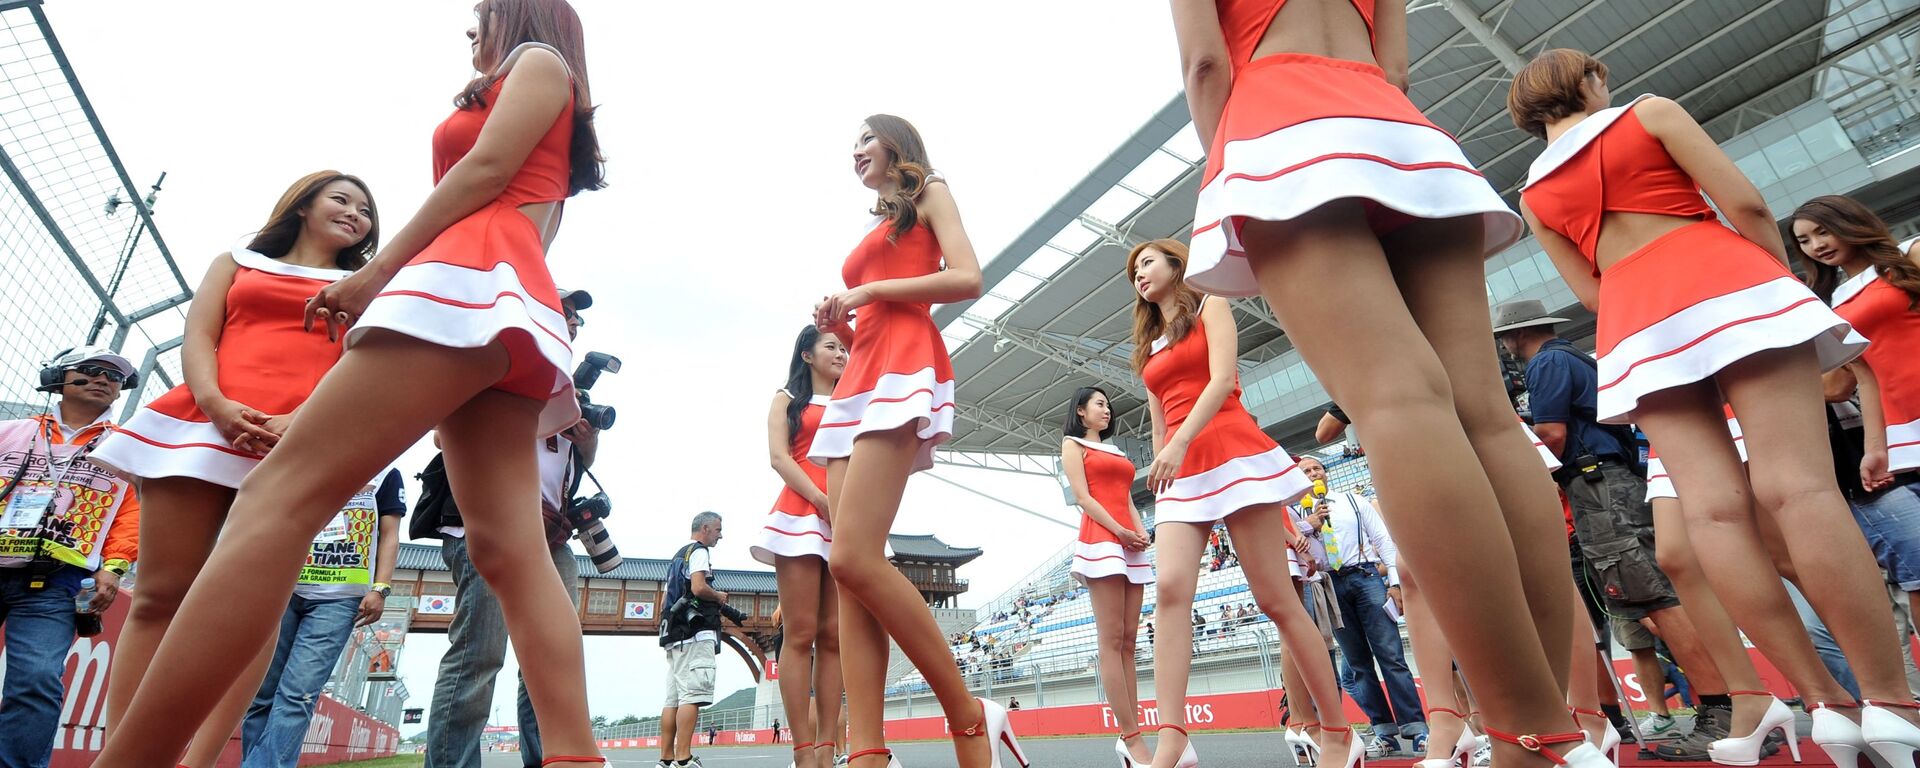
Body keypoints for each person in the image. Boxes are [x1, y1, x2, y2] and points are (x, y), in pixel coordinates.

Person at [90, 3, 609, 767]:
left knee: (278, 495)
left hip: (461, 284)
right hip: (505, 299)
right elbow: (525, 203)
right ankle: (575, 755)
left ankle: (130, 759)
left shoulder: (537, 60)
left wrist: (377, 272)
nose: (470, 31)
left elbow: (486, 172)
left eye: (479, 15)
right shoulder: (538, 91)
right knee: (508, 547)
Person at [1167, 3, 1584, 765]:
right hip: (1396, 127)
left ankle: (1532, 731)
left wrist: (1233, 168)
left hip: (1275, 121)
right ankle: (1549, 720)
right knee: (1486, 414)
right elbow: (1394, 68)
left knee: (1397, 401)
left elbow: (1206, 65)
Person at [1509, 47, 1918, 766]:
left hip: (1634, 318)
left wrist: (1648, 314)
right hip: (1723, 276)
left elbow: (1589, 291)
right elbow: (1750, 205)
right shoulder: (1649, 113)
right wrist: (1769, 279)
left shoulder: (1533, 195)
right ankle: (1891, 701)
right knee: (1799, 489)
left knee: (1714, 515)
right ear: (1590, 79)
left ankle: (1825, 704)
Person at [90, 171, 378, 768]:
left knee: (258, 612)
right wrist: (218, 404)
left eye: (366, 209)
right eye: (341, 199)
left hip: (299, 440)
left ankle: (199, 761)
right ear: (303, 206)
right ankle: (130, 754)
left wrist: (301, 420)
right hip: (201, 422)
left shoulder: (366, 286)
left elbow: (365, 363)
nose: (356, 214)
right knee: (159, 595)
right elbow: (199, 335)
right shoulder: (235, 261)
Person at [808, 115, 1011, 768]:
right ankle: (867, 750)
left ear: (895, 142)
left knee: (853, 559)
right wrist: (842, 310)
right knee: (847, 576)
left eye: (865, 139)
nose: (855, 152)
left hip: (901, 360)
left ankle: (967, 714)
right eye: (852, 146)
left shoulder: (931, 191)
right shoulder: (877, 224)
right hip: (860, 370)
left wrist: (871, 290)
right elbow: (873, 296)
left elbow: (968, 276)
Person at [1126, 238, 1343, 768]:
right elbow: (1158, 421)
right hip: (1180, 471)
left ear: (1177, 264)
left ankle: (1338, 733)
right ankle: (1173, 739)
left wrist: (1177, 444)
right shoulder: (1148, 346)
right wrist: (1164, 458)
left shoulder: (1211, 304)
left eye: (1147, 262)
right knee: (1171, 592)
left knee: (1276, 600)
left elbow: (1223, 380)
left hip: (1230, 447)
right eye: (1132, 271)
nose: (1138, 275)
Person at [1492, 299, 1730, 743]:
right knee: (1648, 599)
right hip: (1608, 481)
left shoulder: (1547, 363)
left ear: (1517, 334)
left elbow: (1551, 434)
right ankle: (1724, 704)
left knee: (1652, 598)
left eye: (1506, 337)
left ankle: (1722, 708)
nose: (1506, 346)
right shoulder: (1571, 357)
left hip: (1598, 485)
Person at [418, 288, 598, 768]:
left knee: (551, 657)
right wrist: (537, 415)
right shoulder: (496, 352)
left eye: (577, 317)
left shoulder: (565, 383)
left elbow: (572, 465)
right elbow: (444, 432)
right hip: (489, 522)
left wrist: (586, 434)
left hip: (551, 530)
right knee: (479, 655)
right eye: (564, 311)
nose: (573, 321)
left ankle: (550, 759)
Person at [0, 346, 141, 768]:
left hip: (57, 582)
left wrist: (114, 568)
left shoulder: (126, 446)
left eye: (114, 377)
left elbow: (131, 512)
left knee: (37, 680)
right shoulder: (9, 431)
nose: (103, 379)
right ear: (57, 377)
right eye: (91, 370)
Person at [1791, 196, 1920, 623]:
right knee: (1919, 577)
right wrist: (1875, 448)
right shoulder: (1825, 305)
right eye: (1804, 241)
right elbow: (1856, 380)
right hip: (1902, 436)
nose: (1816, 246)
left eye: (1822, 231)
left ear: (1849, 221)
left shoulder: (1909, 255)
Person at [239, 468, 404, 768]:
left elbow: (390, 535)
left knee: (297, 694)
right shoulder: (312, 447)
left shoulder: (386, 474)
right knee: (261, 694)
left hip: (339, 599)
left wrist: (380, 587)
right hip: (283, 586)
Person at [751, 325, 848, 768]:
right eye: (831, 346)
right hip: (802, 512)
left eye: (845, 348)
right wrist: (820, 498)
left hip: (848, 513)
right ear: (806, 355)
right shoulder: (786, 400)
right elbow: (778, 457)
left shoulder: (855, 401)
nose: (841, 354)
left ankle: (830, 749)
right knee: (801, 634)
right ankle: (804, 753)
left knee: (834, 637)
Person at [1295, 457, 1424, 756]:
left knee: (1390, 655)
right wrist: (1309, 525)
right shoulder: (1297, 514)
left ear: (1325, 474)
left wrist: (1394, 582)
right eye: (1306, 471)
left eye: (1317, 468)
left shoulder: (1352, 501)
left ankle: (1416, 728)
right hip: (1328, 585)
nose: (1314, 473)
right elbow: (1291, 545)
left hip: (1365, 576)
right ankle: (1384, 732)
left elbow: (1383, 540)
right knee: (1358, 664)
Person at [1058, 386, 1152, 766]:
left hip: (1129, 542)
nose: (1107, 409)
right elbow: (1083, 497)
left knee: (1130, 640)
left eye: (1107, 405)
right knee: (1112, 640)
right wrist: (1120, 530)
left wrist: (1139, 529)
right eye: (1099, 404)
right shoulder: (1072, 445)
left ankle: (1133, 730)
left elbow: (1126, 495)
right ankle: (1131, 736)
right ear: (1080, 412)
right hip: (1102, 541)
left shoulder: (1115, 450)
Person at [660, 512, 731, 768]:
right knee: (692, 696)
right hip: (695, 633)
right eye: (718, 530)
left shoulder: (678, 555)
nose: (720, 535)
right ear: (705, 528)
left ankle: (666, 759)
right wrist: (719, 595)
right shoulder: (699, 552)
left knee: (673, 700)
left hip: (674, 633)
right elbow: (700, 587)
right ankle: (684, 759)